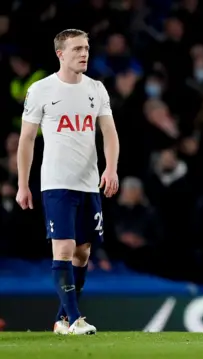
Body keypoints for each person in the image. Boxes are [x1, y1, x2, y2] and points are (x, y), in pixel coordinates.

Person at [16, 29, 120, 335]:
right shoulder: (41, 90)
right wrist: (24, 184)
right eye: (77, 49)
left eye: (86, 48)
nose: (84, 53)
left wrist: (111, 169)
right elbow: (26, 141)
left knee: (82, 252)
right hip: (57, 183)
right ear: (60, 54)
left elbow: (110, 132)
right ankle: (75, 319)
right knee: (63, 248)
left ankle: (62, 320)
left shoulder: (97, 89)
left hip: (88, 184)